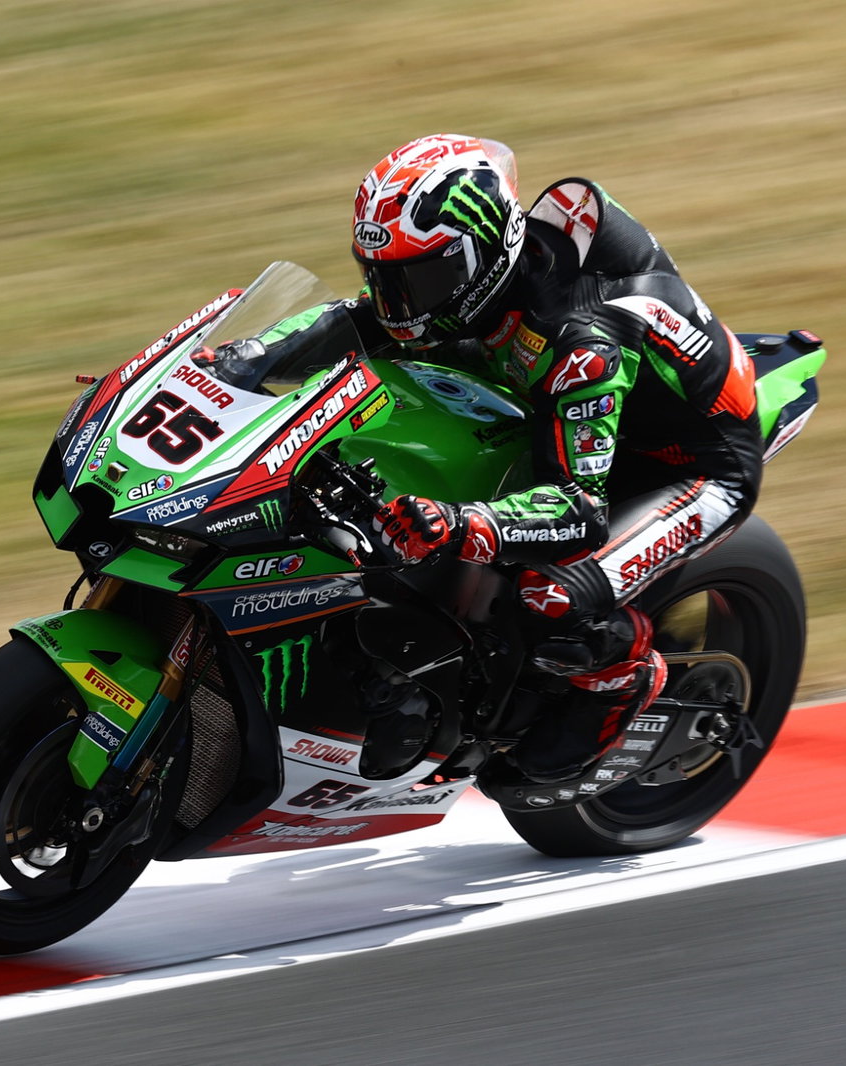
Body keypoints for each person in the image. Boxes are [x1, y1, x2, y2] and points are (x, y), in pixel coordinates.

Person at [204, 134, 762, 782]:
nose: (397, 304)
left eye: (418, 280)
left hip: (689, 464)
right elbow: (358, 322)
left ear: (483, 257)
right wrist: (242, 359)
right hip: (557, 410)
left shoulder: (578, 341)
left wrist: (458, 522)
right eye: (383, 278)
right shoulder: (463, 287)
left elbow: (578, 512)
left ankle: (621, 677)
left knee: (548, 596)